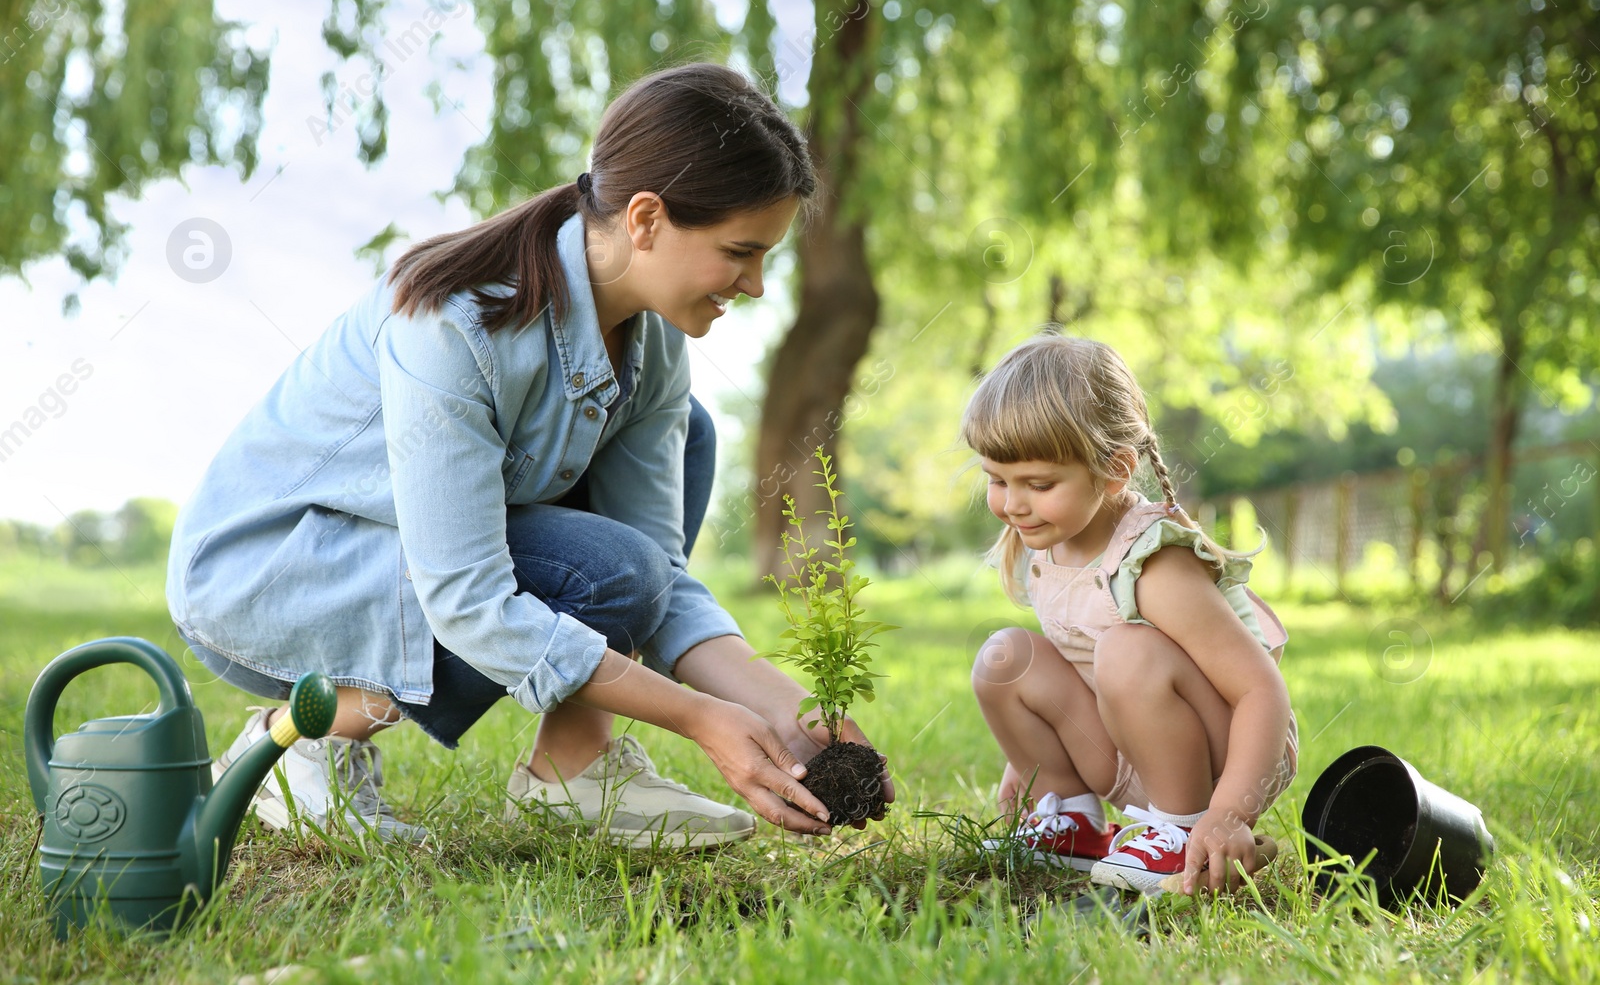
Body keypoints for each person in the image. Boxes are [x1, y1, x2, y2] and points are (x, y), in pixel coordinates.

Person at [166, 62, 892, 850]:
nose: (753, 284)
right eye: (739, 252)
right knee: (610, 567)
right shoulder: (456, 326)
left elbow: (663, 585)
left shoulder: (651, 341)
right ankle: (299, 741)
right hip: (273, 570)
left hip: (405, 565)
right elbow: (473, 597)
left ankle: (575, 768)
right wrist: (697, 717)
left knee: (689, 445)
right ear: (646, 219)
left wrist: (787, 712)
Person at [963, 334, 1296, 895]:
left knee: (1127, 646)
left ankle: (1183, 827)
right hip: (1127, 741)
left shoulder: (1153, 564)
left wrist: (1230, 811)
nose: (1013, 503)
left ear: (1116, 470)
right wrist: (1034, 758)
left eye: (1038, 484)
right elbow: (1069, 666)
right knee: (1005, 656)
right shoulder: (1047, 541)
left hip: (1227, 755)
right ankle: (1071, 821)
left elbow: (1260, 692)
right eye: (998, 479)